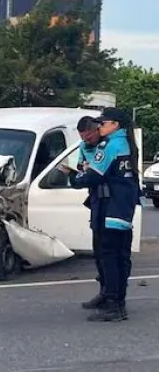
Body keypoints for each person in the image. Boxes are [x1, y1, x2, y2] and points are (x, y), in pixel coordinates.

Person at [59, 108, 141, 321]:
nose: (100, 126)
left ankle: (114, 304)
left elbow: (91, 177)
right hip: (118, 206)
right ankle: (112, 297)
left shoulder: (111, 145)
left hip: (112, 207)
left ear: (115, 125)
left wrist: (72, 176)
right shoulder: (125, 144)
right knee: (115, 256)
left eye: (103, 123)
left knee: (111, 256)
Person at [70, 116, 106, 310]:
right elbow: (81, 169)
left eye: (89, 137)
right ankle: (104, 291)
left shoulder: (106, 147)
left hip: (109, 202)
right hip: (95, 201)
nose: (86, 141)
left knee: (110, 253)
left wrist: (88, 172)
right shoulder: (84, 147)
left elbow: (95, 174)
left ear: (96, 131)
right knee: (98, 251)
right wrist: (82, 171)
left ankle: (113, 296)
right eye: (83, 138)